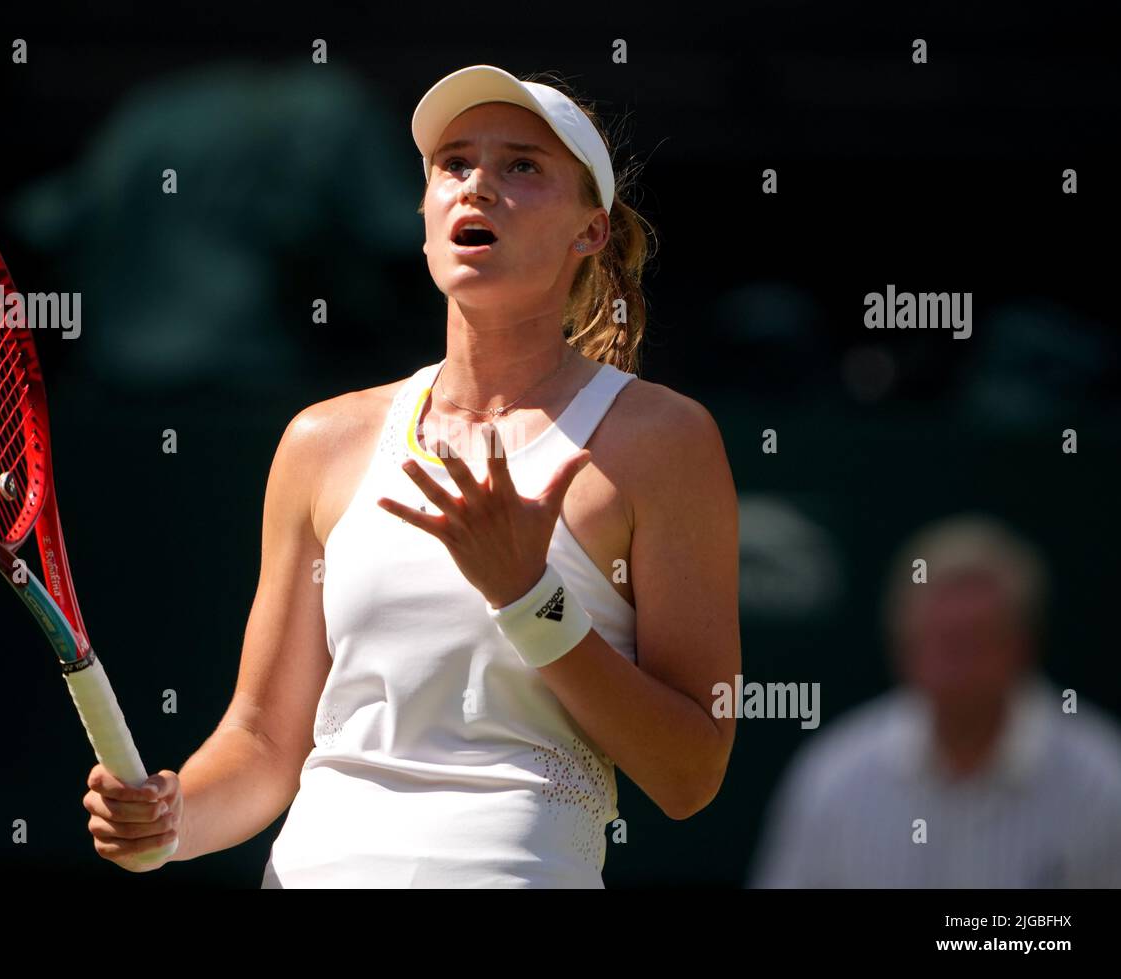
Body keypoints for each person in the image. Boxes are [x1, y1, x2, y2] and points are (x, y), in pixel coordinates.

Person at [82, 64, 740, 887]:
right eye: (454, 164)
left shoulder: (664, 440)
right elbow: (262, 744)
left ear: (591, 231)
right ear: (425, 218)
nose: (478, 187)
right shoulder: (321, 441)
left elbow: (690, 774)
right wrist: (171, 816)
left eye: (522, 167)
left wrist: (531, 601)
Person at [750, 514, 1121, 888]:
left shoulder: (1102, 780)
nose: (957, 665)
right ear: (903, 646)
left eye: (975, 641)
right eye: (942, 642)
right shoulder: (834, 776)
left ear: (1022, 646)